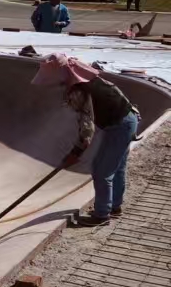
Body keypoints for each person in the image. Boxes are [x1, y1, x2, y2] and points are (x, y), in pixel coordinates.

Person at [34, 54, 138, 226]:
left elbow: (86, 128)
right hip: (129, 118)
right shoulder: (86, 76)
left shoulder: (80, 90)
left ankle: (102, 215)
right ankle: (114, 207)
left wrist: (75, 153)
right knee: (117, 167)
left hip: (120, 126)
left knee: (101, 171)